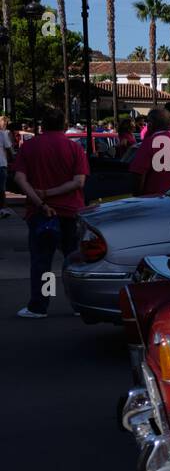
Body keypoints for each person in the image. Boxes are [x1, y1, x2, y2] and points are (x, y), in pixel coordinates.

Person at [11, 108, 88, 318]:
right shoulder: (74, 148)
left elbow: (19, 179)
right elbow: (79, 181)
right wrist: (51, 193)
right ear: (64, 125)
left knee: (43, 261)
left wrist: (40, 200)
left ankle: (41, 304)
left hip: (40, 213)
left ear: (42, 125)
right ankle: (77, 304)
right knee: (73, 259)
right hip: (70, 211)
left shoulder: (30, 147)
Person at [130, 107, 170, 196]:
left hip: (154, 200)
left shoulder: (148, 143)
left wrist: (137, 197)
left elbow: (138, 174)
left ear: (150, 124)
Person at [0, 115, 15, 220]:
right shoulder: (3, 134)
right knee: (1, 188)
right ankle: (3, 209)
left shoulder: (4, 134)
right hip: (1, 164)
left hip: (2, 163)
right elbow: (10, 149)